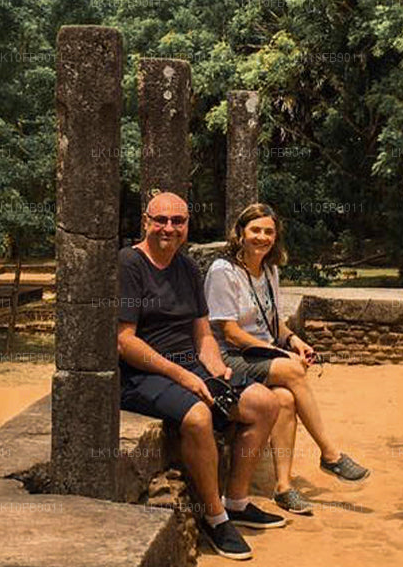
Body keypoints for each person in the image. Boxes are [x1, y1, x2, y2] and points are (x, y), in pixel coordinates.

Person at [118, 192, 284, 561]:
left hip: (189, 365)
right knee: (197, 416)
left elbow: (203, 333)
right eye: (161, 220)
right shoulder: (129, 263)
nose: (169, 228)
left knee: (265, 403)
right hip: (142, 373)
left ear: (187, 226)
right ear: (145, 222)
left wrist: (214, 368)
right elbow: (124, 341)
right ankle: (215, 516)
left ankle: (237, 501)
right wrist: (183, 376)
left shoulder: (188, 267)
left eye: (178, 221)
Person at [205, 203, 371, 516]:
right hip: (229, 357)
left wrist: (294, 340)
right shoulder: (223, 272)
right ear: (240, 233)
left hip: (260, 354)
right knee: (293, 370)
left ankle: (283, 487)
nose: (262, 237)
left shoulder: (270, 270)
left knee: (285, 399)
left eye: (268, 231)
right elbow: (230, 332)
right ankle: (330, 454)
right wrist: (279, 353)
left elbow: (273, 324)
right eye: (255, 230)